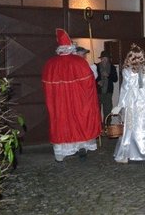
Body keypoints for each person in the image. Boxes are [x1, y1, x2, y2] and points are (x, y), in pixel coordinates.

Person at [41, 29, 101, 162]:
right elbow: (90, 83)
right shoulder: (79, 62)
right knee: (79, 122)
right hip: (77, 102)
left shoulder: (50, 64)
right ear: (70, 47)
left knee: (61, 122)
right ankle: (81, 147)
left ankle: (60, 154)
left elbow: (46, 89)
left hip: (59, 104)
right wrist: (93, 70)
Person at [96, 50, 118, 123]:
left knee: (108, 111)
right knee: (96, 111)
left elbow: (115, 79)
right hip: (98, 92)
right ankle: (98, 127)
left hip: (108, 92)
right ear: (101, 59)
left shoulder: (112, 67)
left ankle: (107, 127)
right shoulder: (96, 66)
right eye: (103, 58)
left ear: (108, 59)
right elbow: (92, 78)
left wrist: (108, 75)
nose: (104, 60)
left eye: (106, 58)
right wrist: (97, 82)